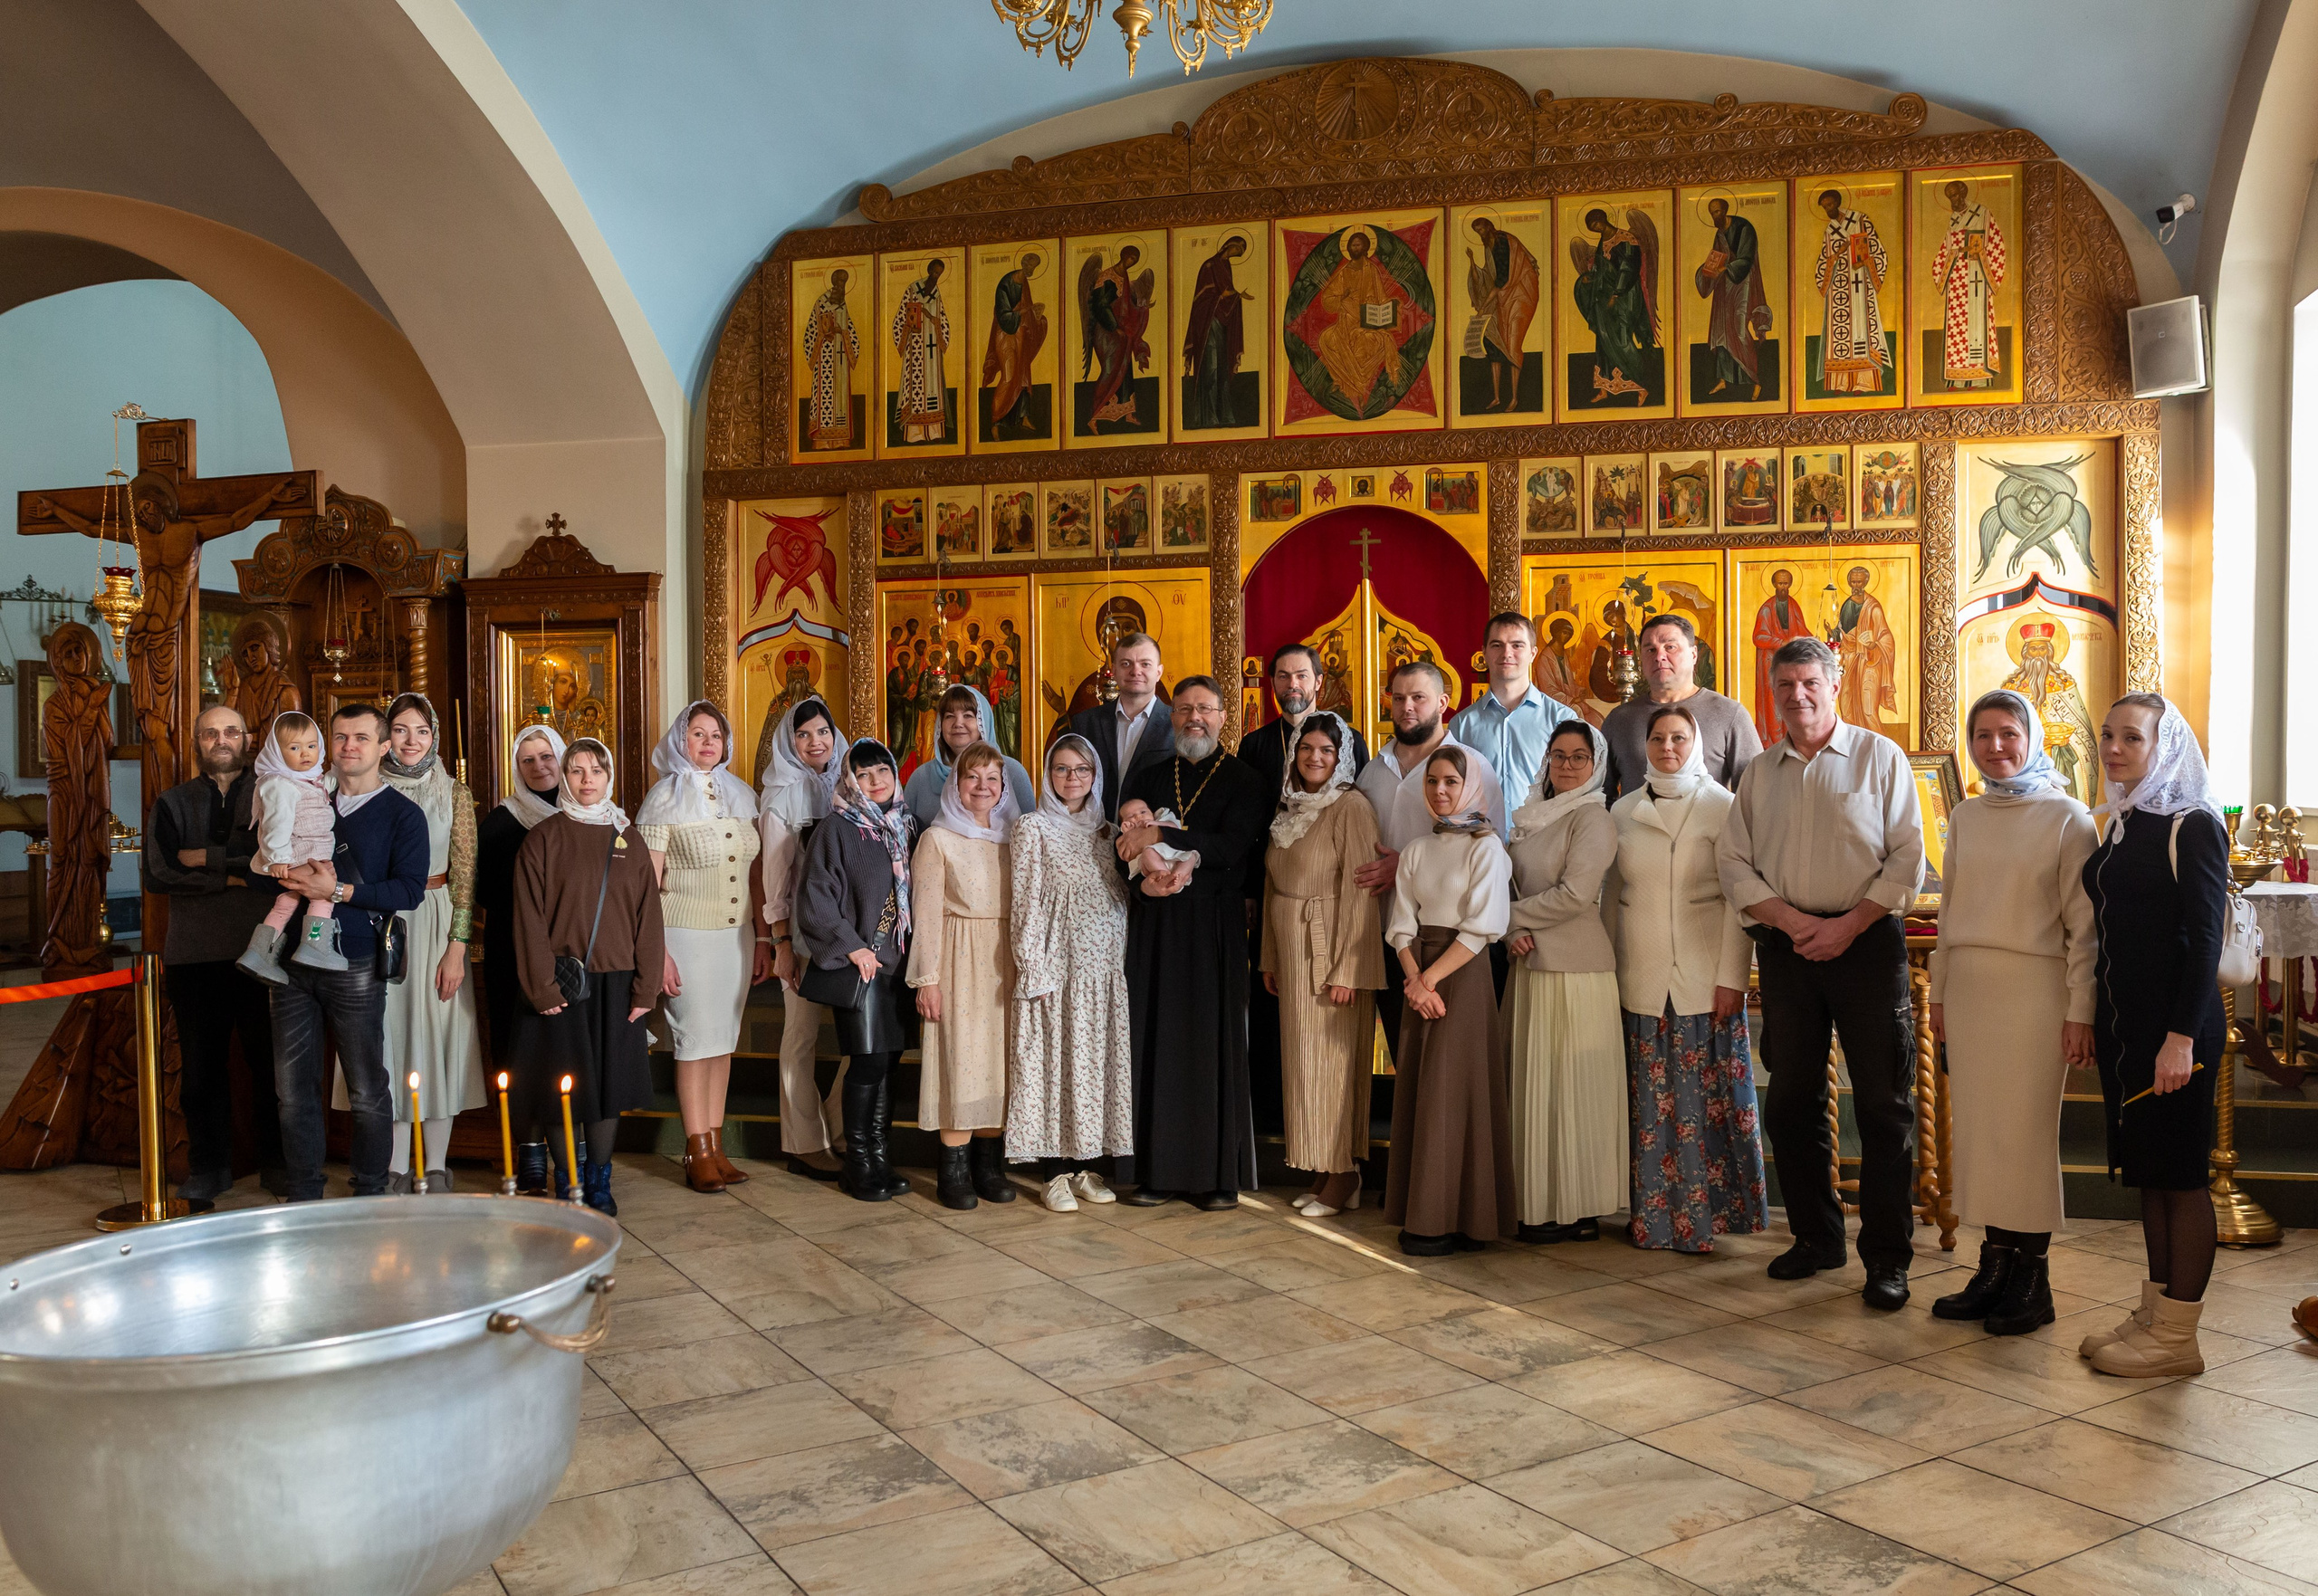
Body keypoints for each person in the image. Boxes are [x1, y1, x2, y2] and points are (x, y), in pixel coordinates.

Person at [1719, 637, 1922, 1308]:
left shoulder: (1880, 757)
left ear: (1835, 684)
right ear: (1772, 693)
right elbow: (1734, 863)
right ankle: (1817, 1237)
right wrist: (1789, 920)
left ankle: (1887, 1258)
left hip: (1865, 944)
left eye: (1810, 682)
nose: (1797, 696)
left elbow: (1905, 860)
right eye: (1785, 686)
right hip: (1788, 951)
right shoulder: (1759, 772)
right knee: (1791, 1101)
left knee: (1884, 1106)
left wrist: (1847, 924)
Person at [1928, 691, 2098, 1336]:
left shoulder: (2067, 817)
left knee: (2023, 1138)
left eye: (2008, 733)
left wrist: (2080, 1009)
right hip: (1970, 992)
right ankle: (1993, 1266)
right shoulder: (1967, 816)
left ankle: (2033, 1277)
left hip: (2035, 992)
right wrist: (1940, 994)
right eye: (1983, 735)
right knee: (1981, 1134)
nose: (1995, 747)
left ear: (2032, 737)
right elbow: (1948, 914)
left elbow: (2085, 929)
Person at [2077, 693, 2227, 1377]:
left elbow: (2203, 941)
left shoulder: (2192, 825)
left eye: (2131, 737)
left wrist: (2181, 1037)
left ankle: (2177, 1338)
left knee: (2183, 1178)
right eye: (2107, 735)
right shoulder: (2125, 819)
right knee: (2151, 1175)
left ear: (2163, 747)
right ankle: (2157, 1312)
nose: (2113, 747)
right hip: (2127, 1030)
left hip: (2174, 1033)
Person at [1612, 704, 1766, 1254]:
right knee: (1650, 1107)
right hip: (1643, 976)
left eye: (1679, 737)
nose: (1668, 747)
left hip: (1707, 978)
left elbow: (1738, 901)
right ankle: (1653, 1221)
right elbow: (1612, 898)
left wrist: (1733, 977)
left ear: (1697, 743)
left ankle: (1707, 1222)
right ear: (1644, 746)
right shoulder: (1623, 812)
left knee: (1705, 1105)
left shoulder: (1724, 808)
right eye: (1658, 738)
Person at [1116, 677, 1269, 1209]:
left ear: (1224, 717)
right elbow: (1125, 842)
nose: (1194, 718)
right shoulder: (1152, 775)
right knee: (1156, 1041)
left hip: (1215, 925)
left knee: (1213, 1043)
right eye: (1184, 709)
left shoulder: (1246, 779)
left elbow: (1230, 848)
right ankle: (1157, 1173)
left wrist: (1161, 836)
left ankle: (1215, 1178)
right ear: (1172, 715)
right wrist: (1146, 874)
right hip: (1157, 926)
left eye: (1205, 709)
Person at [269, 703, 429, 1200]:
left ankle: (370, 1189)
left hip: (356, 958)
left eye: (361, 738)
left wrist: (338, 892)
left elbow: (409, 891)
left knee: (365, 1086)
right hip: (292, 958)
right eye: (339, 738)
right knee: (292, 1088)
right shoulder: (303, 797)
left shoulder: (404, 814)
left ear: (384, 747)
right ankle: (303, 1190)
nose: (348, 747)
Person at [509, 739, 663, 1214]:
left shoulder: (627, 836)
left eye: (597, 769)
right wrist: (541, 986)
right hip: (560, 984)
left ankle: (599, 1179)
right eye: (576, 770)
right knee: (563, 1086)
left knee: (607, 1087)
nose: (587, 778)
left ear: (609, 774)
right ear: (565, 778)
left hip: (618, 984)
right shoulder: (543, 839)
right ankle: (569, 1178)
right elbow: (528, 918)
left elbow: (648, 916)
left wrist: (647, 986)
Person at [141, 703, 283, 1199]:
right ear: (196, 742)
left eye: (230, 732)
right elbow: (157, 874)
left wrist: (206, 859)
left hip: (264, 950)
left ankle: (278, 1164)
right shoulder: (172, 802)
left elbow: (276, 863)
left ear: (247, 739)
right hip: (193, 956)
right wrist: (236, 873)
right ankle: (209, 1167)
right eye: (209, 733)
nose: (220, 740)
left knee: (270, 1065)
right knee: (201, 1071)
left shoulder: (273, 794)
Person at [1237, 643, 1371, 1148]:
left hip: (1328, 927)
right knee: (1289, 1040)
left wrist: (1350, 965)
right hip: (1278, 917)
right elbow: (1259, 839)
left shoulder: (1350, 762)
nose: (1292, 686)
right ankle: (1292, 1142)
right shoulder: (1257, 747)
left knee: (1327, 1047)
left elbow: (1356, 871)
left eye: (1301, 676)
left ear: (1318, 681)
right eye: (1282, 677)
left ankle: (1335, 1160)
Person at [1384, 745, 1516, 1255]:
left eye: (1451, 783)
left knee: (1455, 1092)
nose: (1440, 791)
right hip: (1422, 976)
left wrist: (1427, 982)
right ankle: (1425, 1213)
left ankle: (1460, 1218)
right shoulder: (1417, 849)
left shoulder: (1487, 850)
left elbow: (1484, 928)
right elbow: (1400, 926)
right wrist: (1415, 980)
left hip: (1462, 975)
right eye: (1432, 781)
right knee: (1424, 1091)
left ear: (1472, 786)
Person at [1260, 712, 1384, 1219]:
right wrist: (1269, 954)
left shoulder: (1351, 807)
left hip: (1329, 951)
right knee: (1305, 1067)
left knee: (1333, 1068)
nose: (1315, 758)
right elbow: (1273, 887)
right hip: (1291, 953)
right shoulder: (1290, 806)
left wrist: (1348, 968)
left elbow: (1363, 892)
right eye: (1306, 748)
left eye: (1326, 751)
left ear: (1342, 757)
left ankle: (1344, 1173)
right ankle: (1323, 1169)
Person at [636, 701, 763, 1193]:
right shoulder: (661, 799)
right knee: (693, 1043)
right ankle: (696, 1148)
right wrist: (656, 952)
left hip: (737, 936)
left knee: (722, 1044)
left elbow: (755, 874)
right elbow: (645, 887)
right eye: (698, 734)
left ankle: (716, 1143)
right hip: (684, 936)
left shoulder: (741, 794)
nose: (708, 742)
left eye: (716, 735)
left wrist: (766, 938)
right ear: (679, 741)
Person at [1504, 722, 1623, 1244]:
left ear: (1596, 765)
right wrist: (1513, 927)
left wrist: (1506, 916)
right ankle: (1537, 1201)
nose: (1568, 765)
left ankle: (1578, 1208)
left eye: (1580, 757)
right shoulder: (1530, 818)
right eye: (1559, 755)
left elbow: (1575, 896)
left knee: (1572, 1093)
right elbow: (1512, 883)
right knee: (1537, 1090)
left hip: (1576, 970)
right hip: (1530, 966)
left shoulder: (1593, 818)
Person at [1006, 733, 1133, 1212]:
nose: (1072, 778)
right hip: (1057, 969)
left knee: (1094, 1066)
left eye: (1082, 769)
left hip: (1102, 972)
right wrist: (1032, 966)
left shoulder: (1108, 831)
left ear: (1096, 775)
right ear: (1047, 775)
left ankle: (1084, 1167)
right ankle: (1053, 1173)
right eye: (1062, 769)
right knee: (1054, 1067)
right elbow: (1026, 902)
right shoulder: (1032, 828)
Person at [1355, 661, 1505, 1058]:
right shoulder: (1372, 770)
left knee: (1448, 1061)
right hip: (1389, 932)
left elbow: (1492, 845)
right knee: (1406, 1056)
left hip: (1452, 942)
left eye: (1418, 698)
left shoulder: (1471, 766)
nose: (1407, 707)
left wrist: (1405, 866)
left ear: (1442, 702)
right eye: (1399, 697)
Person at [797, 741, 918, 1203]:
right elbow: (816, 898)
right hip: (862, 967)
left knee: (889, 1061)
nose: (876, 781)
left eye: (882, 771)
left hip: (899, 965)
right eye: (864, 776)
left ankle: (881, 1158)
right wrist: (852, 948)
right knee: (866, 1062)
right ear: (850, 783)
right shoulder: (837, 828)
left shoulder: (908, 826)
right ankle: (859, 1162)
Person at [375, 693, 484, 1194]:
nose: (412, 741)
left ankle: (435, 1164)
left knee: (439, 1040)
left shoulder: (453, 792)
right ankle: (394, 1166)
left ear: (434, 734)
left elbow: (465, 875)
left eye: (421, 730)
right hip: (381, 922)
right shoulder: (364, 786)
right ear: (386, 736)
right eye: (400, 730)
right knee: (390, 1042)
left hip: (437, 917)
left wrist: (457, 947)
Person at [909, 742, 1019, 1209]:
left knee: (1000, 1062)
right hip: (956, 959)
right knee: (961, 1060)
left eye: (992, 779)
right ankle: (952, 1169)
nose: (983, 787)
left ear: (1003, 787)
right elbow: (927, 913)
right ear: (956, 784)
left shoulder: (1015, 836)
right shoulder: (937, 839)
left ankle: (987, 1166)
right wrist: (926, 978)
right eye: (973, 777)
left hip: (1004, 960)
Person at [759, 698, 851, 1180]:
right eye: (804, 735)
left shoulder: (847, 782)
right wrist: (780, 944)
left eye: (823, 732)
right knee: (801, 1035)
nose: (816, 742)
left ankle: (834, 1128)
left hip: (847, 929)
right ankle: (802, 1142)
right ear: (788, 743)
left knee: (860, 1039)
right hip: (800, 931)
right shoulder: (781, 796)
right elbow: (776, 879)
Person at [476, 722, 566, 1192]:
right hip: (513, 956)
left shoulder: (587, 813)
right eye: (527, 760)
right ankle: (529, 1156)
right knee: (522, 1056)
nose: (538, 767)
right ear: (517, 766)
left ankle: (573, 1157)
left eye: (547, 756)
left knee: (567, 1054)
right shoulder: (500, 821)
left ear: (563, 758)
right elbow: (486, 894)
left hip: (569, 958)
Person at [1601, 613, 1761, 801]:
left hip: (1708, 828)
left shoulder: (1730, 714)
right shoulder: (1619, 719)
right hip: (1636, 827)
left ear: (1693, 655)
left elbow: (1754, 792)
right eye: (1650, 650)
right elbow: (1602, 793)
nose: (1660, 656)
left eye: (1670, 647)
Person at [235, 711, 345, 979]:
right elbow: (276, 824)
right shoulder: (280, 784)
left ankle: (259, 953)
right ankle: (316, 945)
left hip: (303, 856)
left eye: (311, 745)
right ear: (277, 751)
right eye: (294, 748)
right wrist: (277, 859)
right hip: (300, 857)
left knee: (285, 903)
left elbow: (327, 782)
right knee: (324, 894)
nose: (305, 753)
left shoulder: (308, 779)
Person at [1450, 615, 1574, 837]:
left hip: (1542, 845)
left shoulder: (1562, 719)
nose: (1507, 653)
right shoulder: (1461, 725)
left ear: (1533, 653)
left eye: (1517, 645)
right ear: (1484, 652)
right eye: (1497, 645)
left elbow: (1574, 790)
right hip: (1480, 848)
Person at [1067, 632, 1173, 821]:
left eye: (1145, 664)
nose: (1135, 671)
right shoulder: (1086, 723)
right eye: (1126, 664)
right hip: (1093, 835)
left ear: (1159, 672)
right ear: (1114, 670)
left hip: (1152, 841)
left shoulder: (1175, 725)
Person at [904, 683, 1035, 830]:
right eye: (949, 716)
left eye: (968, 716)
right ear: (940, 725)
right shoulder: (920, 778)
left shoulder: (1013, 772)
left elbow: (1030, 834)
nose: (958, 723)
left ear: (983, 722)